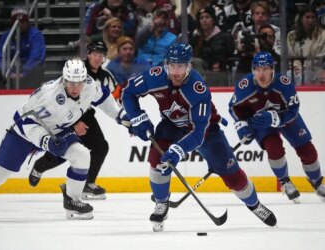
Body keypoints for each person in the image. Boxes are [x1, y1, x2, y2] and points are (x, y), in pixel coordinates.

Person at [122, 42, 277, 232]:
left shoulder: (198, 89)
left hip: (206, 131)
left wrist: (179, 150)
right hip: (171, 126)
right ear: (166, 64)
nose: (176, 71)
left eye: (181, 66)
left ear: (189, 66)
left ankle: (255, 205)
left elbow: (198, 133)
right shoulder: (154, 76)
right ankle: (161, 203)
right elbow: (128, 92)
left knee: (233, 175)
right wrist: (137, 118)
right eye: (172, 65)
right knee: (157, 158)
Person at [0, 59, 131, 219]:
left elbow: (104, 98)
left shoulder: (89, 85)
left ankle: (72, 202)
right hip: (22, 133)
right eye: (71, 83)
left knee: (82, 155)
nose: (76, 88)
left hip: (57, 129)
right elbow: (28, 122)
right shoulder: (48, 96)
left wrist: (122, 116)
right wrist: (45, 141)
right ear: (64, 79)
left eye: (79, 83)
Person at [228, 51, 325, 204]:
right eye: (258, 69)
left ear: (272, 69)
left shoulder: (284, 84)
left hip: (286, 118)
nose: (262, 74)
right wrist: (242, 126)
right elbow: (233, 107)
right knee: (274, 149)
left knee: (307, 150)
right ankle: (285, 182)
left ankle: (317, 182)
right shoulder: (244, 86)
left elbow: (294, 110)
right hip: (261, 122)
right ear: (253, 70)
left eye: (265, 69)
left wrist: (276, 118)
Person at [28, 41, 119, 200]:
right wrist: (74, 123)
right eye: (95, 54)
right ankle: (40, 166)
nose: (98, 58)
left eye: (101, 55)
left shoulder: (105, 76)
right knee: (64, 152)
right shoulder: (77, 68)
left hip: (87, 116)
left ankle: (87, 184)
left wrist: (123, 114)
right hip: (65, 115)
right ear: (88, 54)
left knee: (101, 146)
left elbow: (114, 95)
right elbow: (62, 96)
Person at [0, 7, 46, 89]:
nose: (20, 25)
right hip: (12, 69)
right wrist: (8, 72)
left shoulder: (36, 35)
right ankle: (2, 94)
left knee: (38, 69)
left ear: (27, 22)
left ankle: (30, 93)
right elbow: (0, 58)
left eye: (23, 22)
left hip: (28, 70)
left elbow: (37, 57)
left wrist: (23, 72)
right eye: (17, 22)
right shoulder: (6, 36)